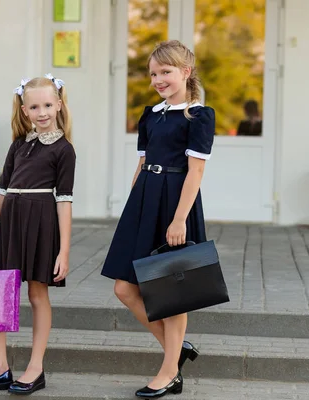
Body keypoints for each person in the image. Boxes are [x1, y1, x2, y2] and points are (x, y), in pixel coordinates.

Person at [101, 40, 215, 398]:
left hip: (175, 203)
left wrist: (179, 220)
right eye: (153, 73)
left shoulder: (199, 116)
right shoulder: (151, 114)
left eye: (165, 72)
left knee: (171, 292)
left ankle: (169, 372)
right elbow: (141, 163)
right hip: (145, 202)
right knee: (124, 288)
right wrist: (133, 208)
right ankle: (177, 350)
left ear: (186, 72)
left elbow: (195, 172)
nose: (158, 79)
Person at [0, 74, 76, 395]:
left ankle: (35, 368)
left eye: (48, 105)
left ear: (59, 105)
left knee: (37, 294)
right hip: (9, 225)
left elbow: (65, 202)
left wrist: (64, 250)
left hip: (41, 224)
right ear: (25, 110)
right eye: (35, 106)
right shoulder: (18, 145)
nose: (42, 112)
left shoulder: (64, 150)